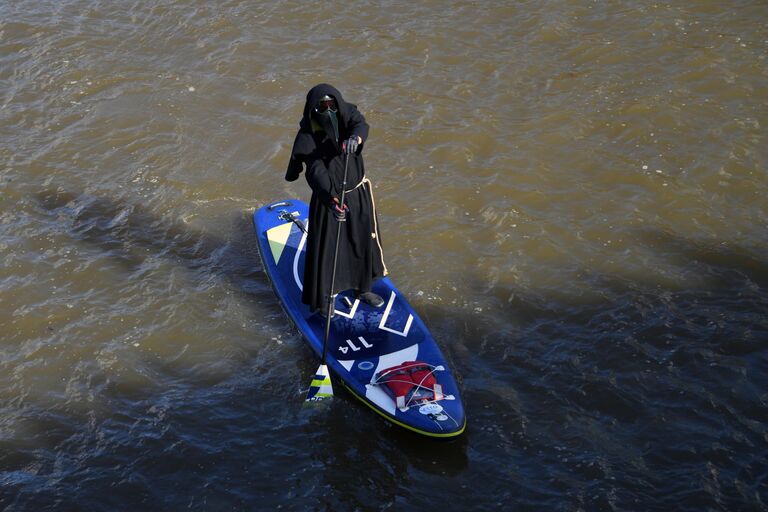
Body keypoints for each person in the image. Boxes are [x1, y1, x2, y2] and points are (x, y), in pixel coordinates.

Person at [285, 83, 387, 315]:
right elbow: (315, 170)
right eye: (323, 106)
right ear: (313, 108)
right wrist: (332, 198)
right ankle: (326, 298)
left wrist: (356, 139)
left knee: (360, 241)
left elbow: (361, 124)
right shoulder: (308, 135)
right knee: (330, 248)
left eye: (332, 104)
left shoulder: (347, 115)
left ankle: (362, 289)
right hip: (329, 200)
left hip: (358, 195)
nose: (328, 109)